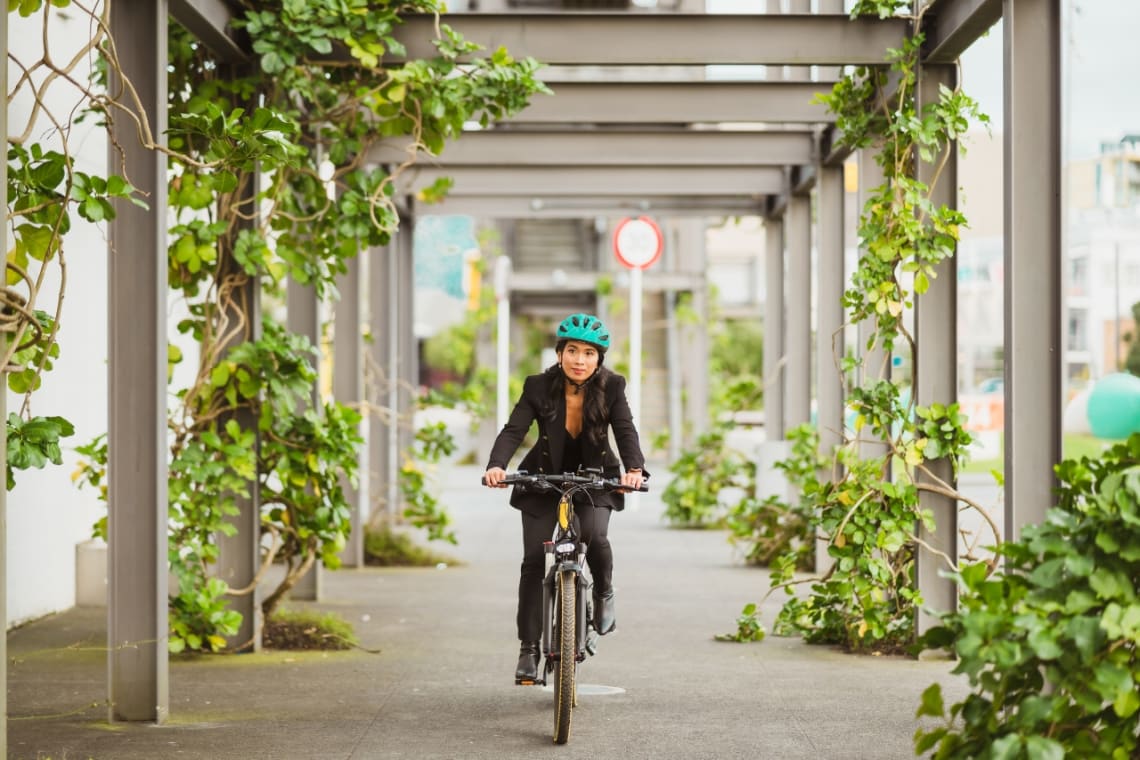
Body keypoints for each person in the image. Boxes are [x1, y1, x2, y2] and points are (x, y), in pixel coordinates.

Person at [484, 313, 649, 685]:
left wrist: (634, 469)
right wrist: (497, 465)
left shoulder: (612, 387)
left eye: (589, 353)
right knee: (532, 560)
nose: (579, 360)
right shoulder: (538, 386)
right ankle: (529, 649)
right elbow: (514, 429)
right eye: (572, 350)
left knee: (594, 536)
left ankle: (604, 591)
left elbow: (625, 430)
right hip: (543, 478)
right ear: (559, 354)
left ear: (599, 359)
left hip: (596, 477)